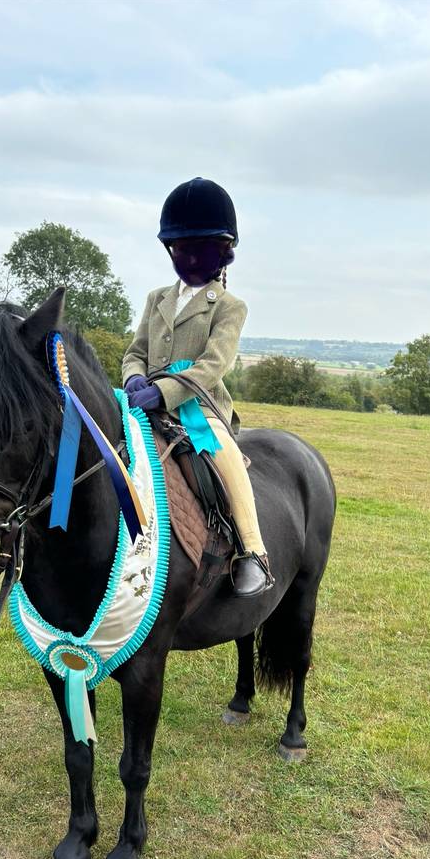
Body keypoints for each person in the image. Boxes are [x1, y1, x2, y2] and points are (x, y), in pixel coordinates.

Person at [122, 176, 273, 597]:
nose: (189, 257)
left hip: (200, 407)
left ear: (222, 252)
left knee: (225, 456)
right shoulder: (157, 299)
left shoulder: (229, 307)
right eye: (182, 248)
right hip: (142, 402)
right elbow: (135, 351)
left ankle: (253, 550)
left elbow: (214, 364)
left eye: (200, 249)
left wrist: (166, 391)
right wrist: (134, 378)